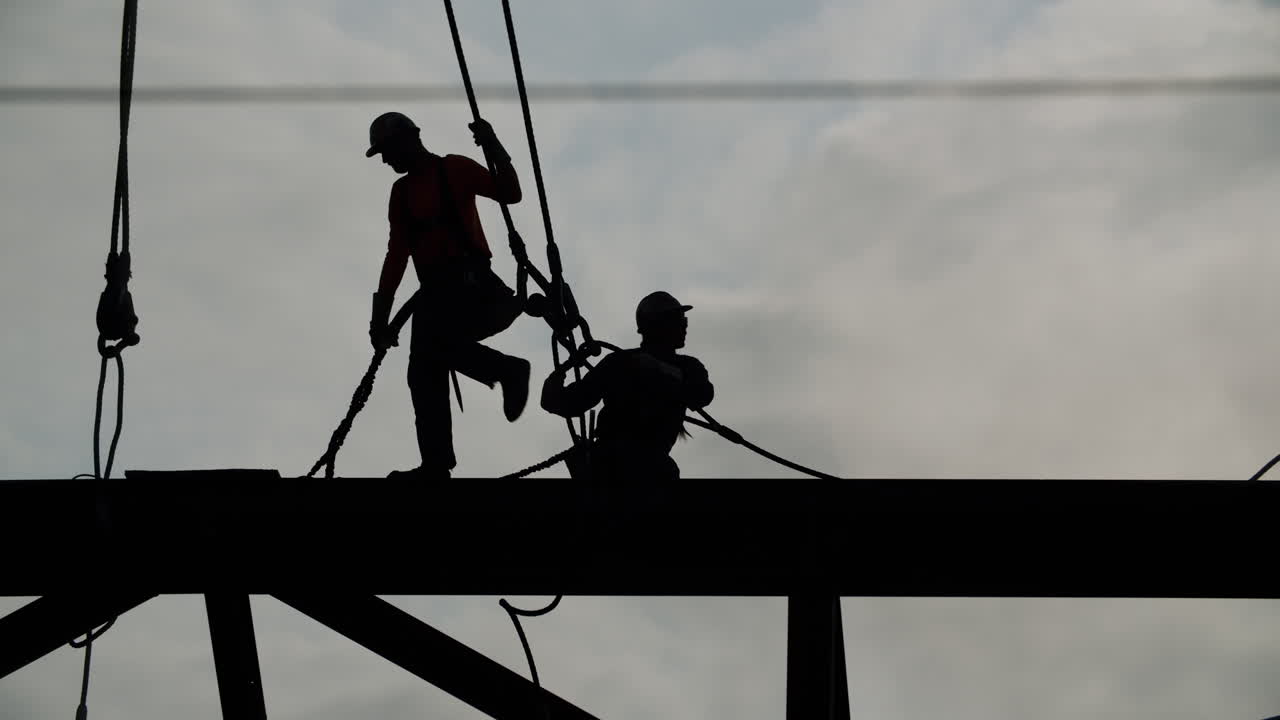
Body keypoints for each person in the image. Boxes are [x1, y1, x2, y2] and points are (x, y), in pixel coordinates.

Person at [365, 110, 531, 478]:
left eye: (388, 151)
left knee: (436, 350)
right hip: (437, 296)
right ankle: (436, 464)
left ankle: (509, 369)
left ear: (409, 140)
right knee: (422, 372)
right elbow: (397, 256)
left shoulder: (455, 169)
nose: (387, 160)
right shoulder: (402, 193)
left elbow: (510, 193)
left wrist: (494, 145)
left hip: (475, 289)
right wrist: (380, 319)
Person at [541, 291, 714, 480]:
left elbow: (703, 395)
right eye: (678, 321)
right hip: (616, 463)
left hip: (642, 465)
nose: (684, 327)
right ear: (657, 326)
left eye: (684, 321)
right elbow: (565, 402)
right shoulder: (620, 363)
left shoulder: (687, 367)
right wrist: (557, 378)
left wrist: (659, 369)